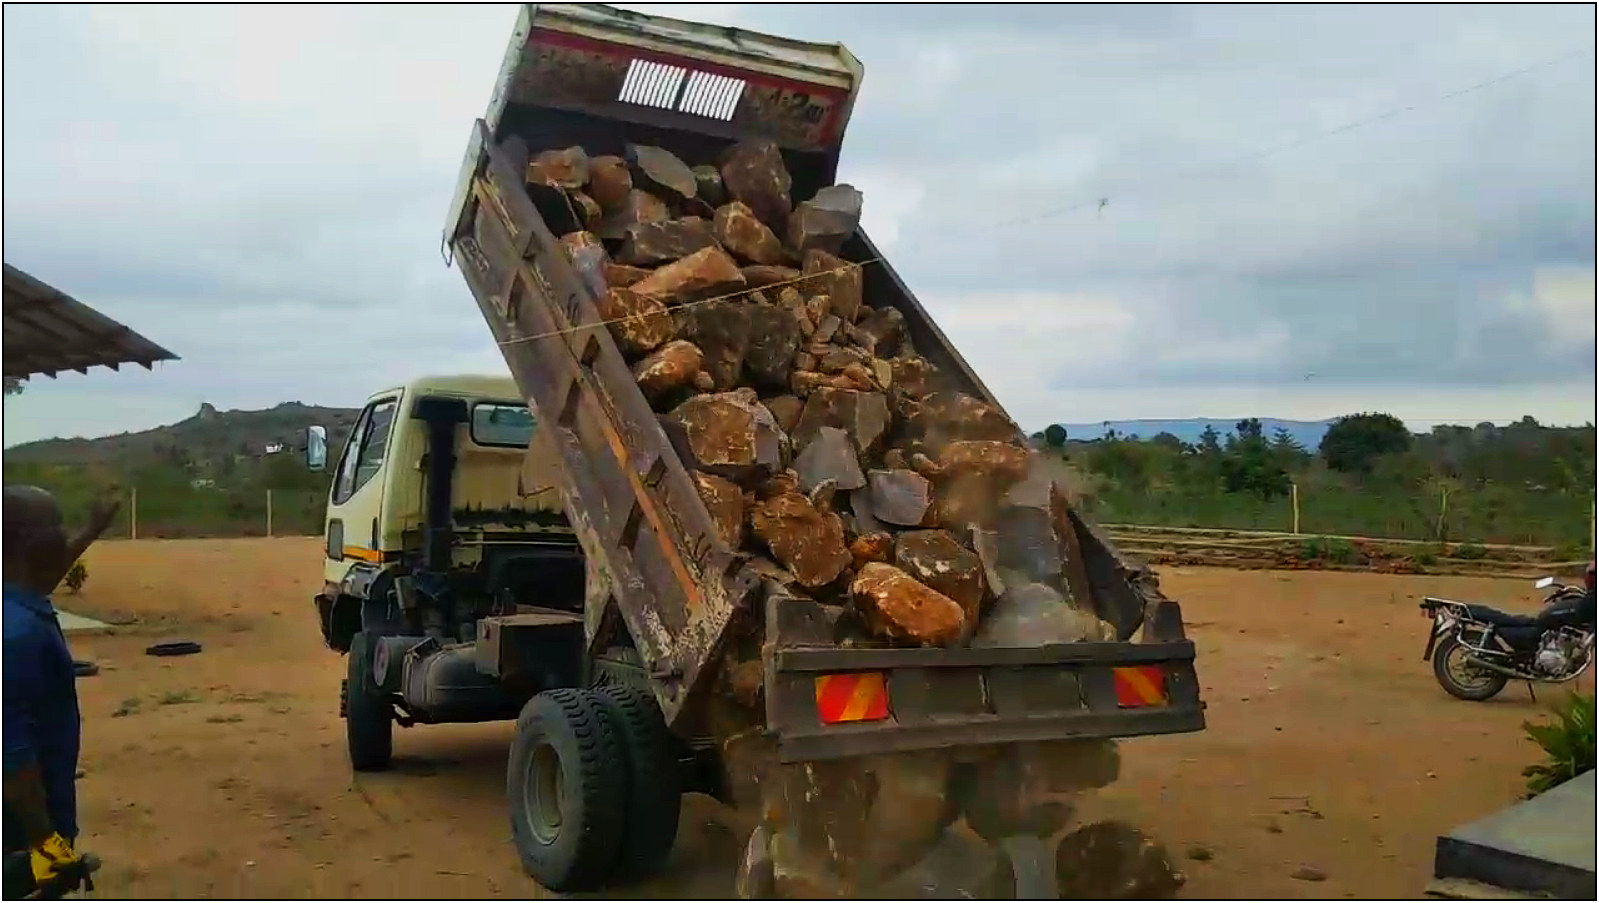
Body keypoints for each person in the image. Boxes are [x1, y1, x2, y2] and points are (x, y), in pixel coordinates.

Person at [3, 485, 119, 899]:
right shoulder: (16, 636)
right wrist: (48, 849)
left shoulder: (17, 599)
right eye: (54, 526)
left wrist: (92, 529)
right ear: (26, 542)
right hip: (18, 837)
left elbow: (40, 579)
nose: (62, 534)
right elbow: (11, 760)